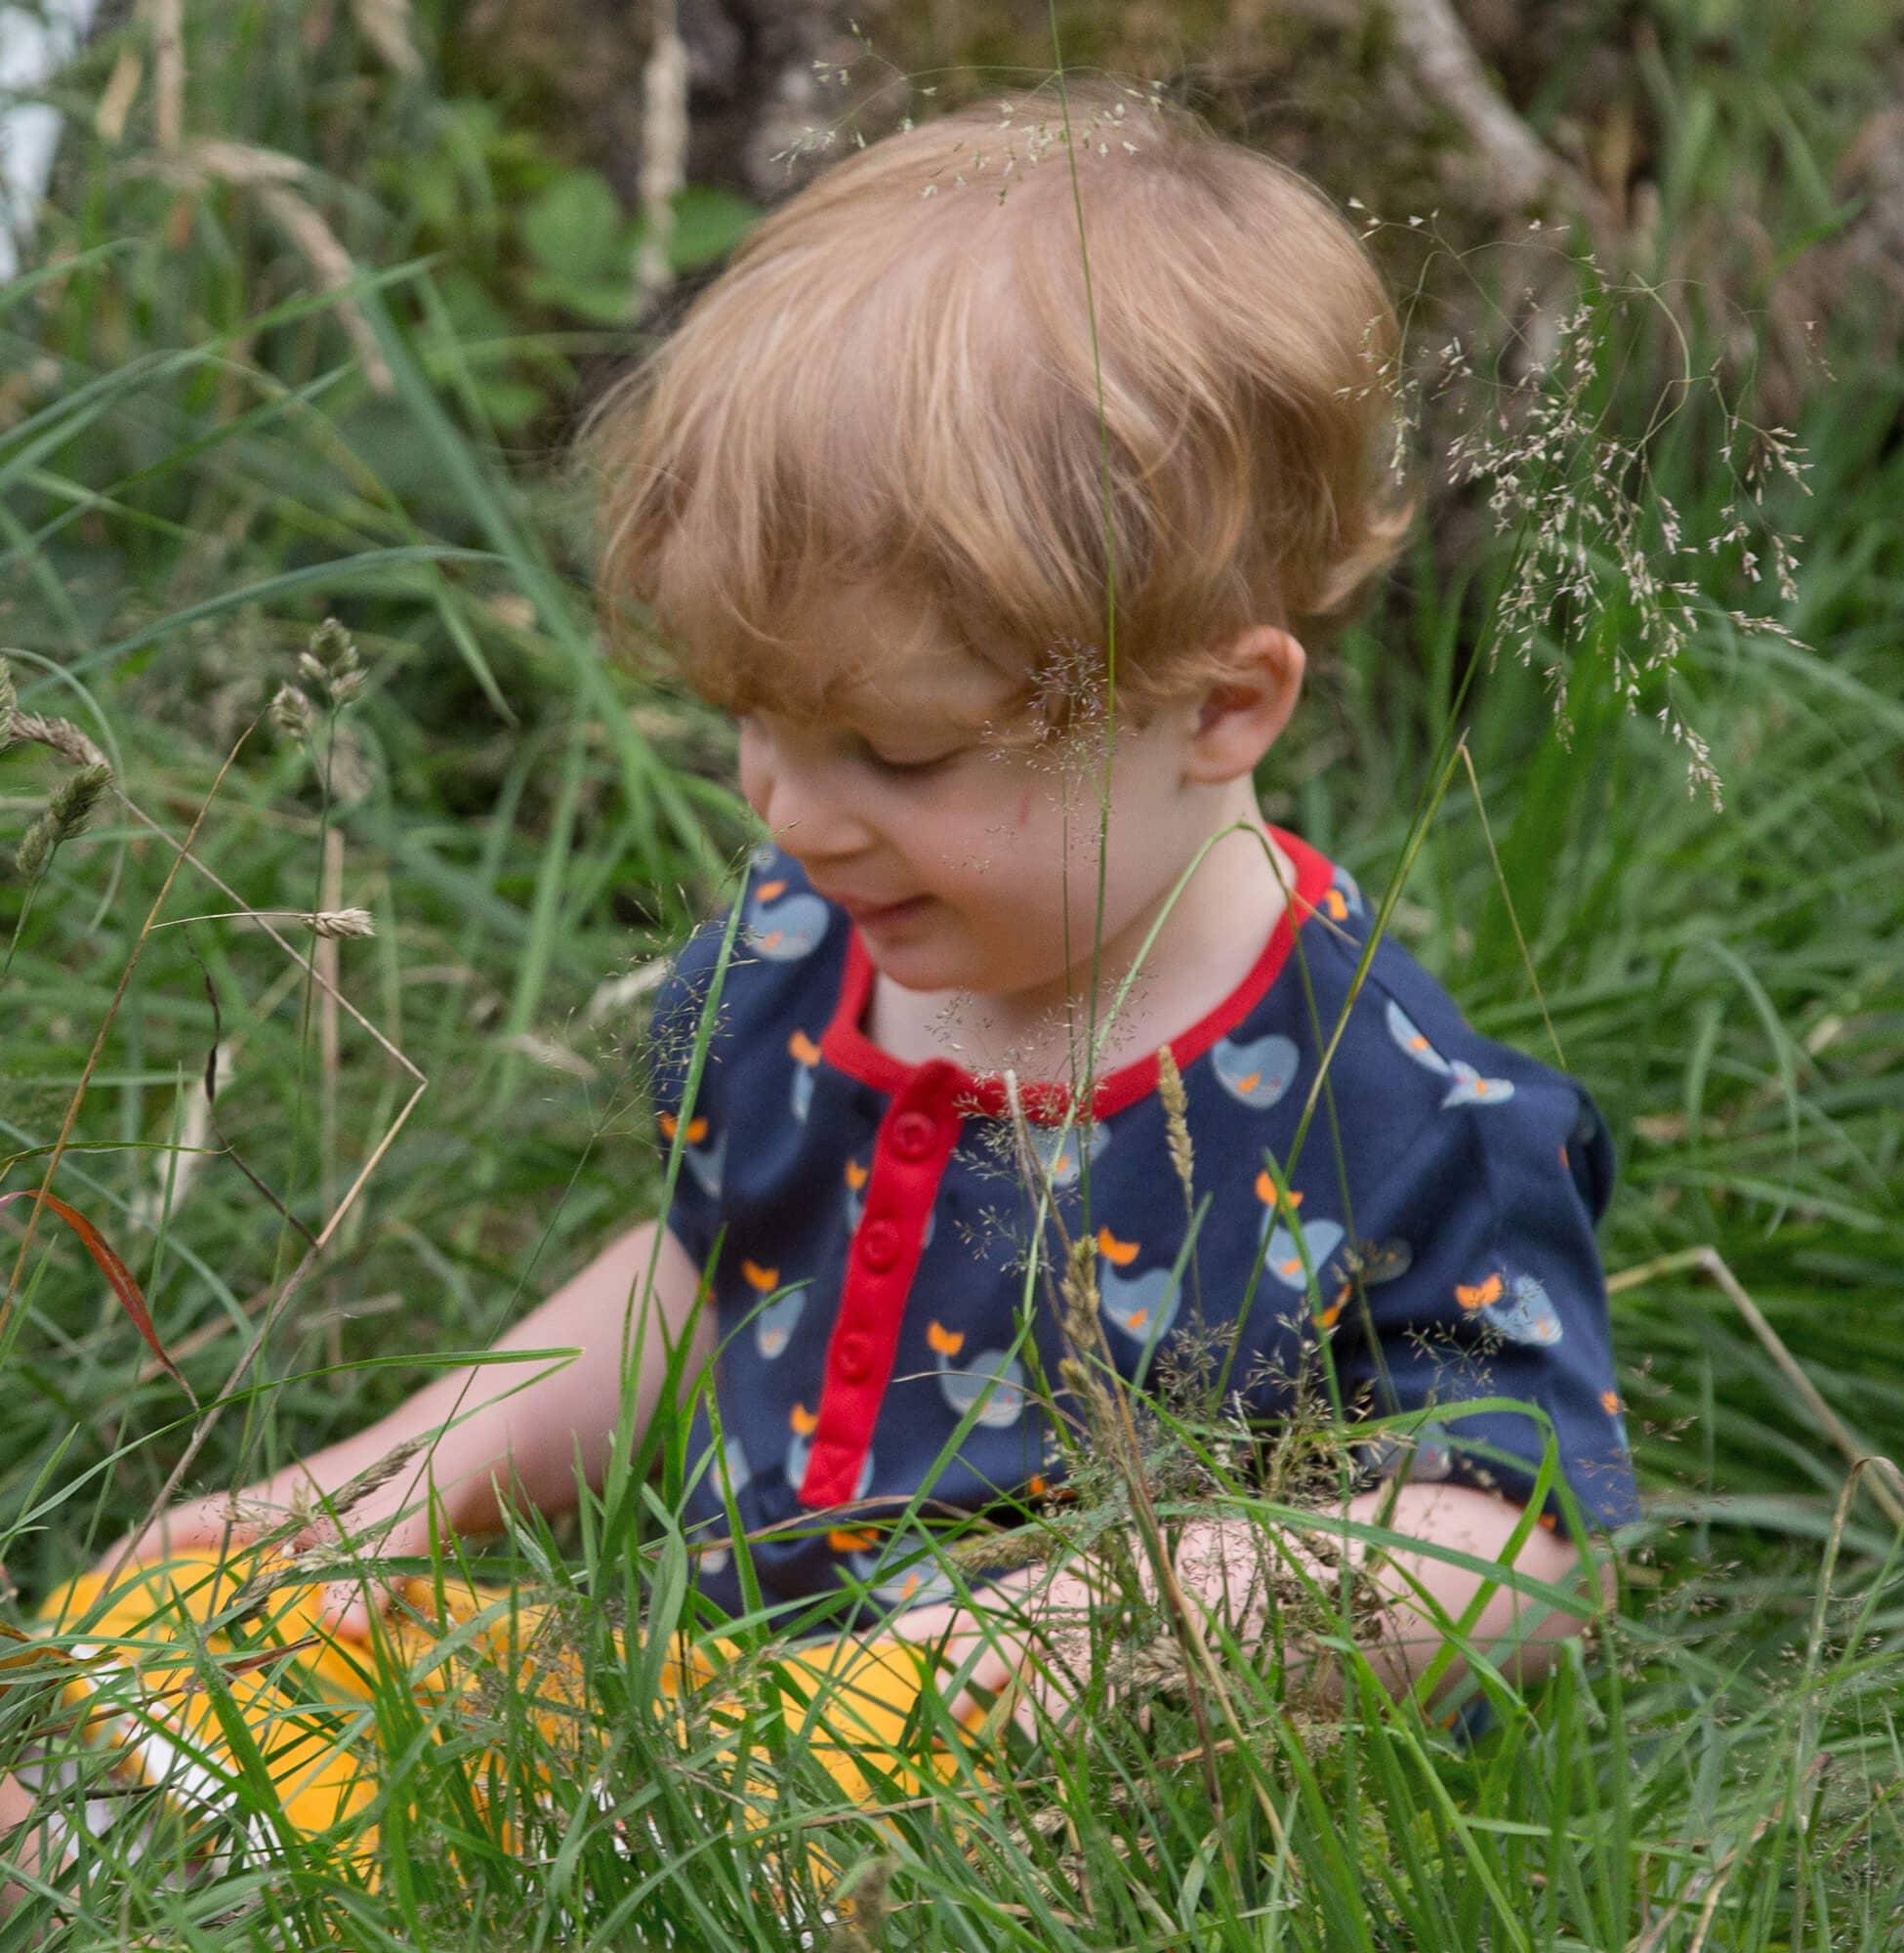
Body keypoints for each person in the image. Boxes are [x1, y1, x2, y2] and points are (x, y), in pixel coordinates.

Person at [2, 80, 1636, 1907]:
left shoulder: (1388, 1105)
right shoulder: (814, 953)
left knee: (578, 1846)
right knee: (161, 1639)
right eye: (752, 730)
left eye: (895, 749)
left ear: (1222, 704)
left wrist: (1111, 1634)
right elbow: (716, 1272)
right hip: (717, 1721)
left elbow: (1513, 1545)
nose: (788, 812)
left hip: (1070, 1819)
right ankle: (137, 1831)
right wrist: (397, 1482)